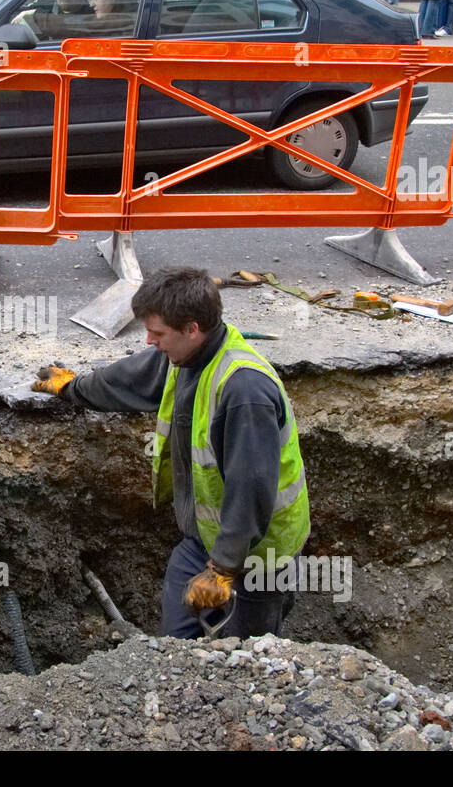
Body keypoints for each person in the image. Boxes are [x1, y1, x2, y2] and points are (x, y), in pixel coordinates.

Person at [32, 268, 310, 640]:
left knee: (246, 657)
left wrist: (224, 569)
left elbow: (251, 488)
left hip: (260, 555)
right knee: (175, 646)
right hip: (204, 540)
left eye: (158, 333)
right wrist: (73, 387)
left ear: (192, 329)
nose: (149, 341)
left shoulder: (244, 391)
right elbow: (131, 376)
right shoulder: (185, 357)